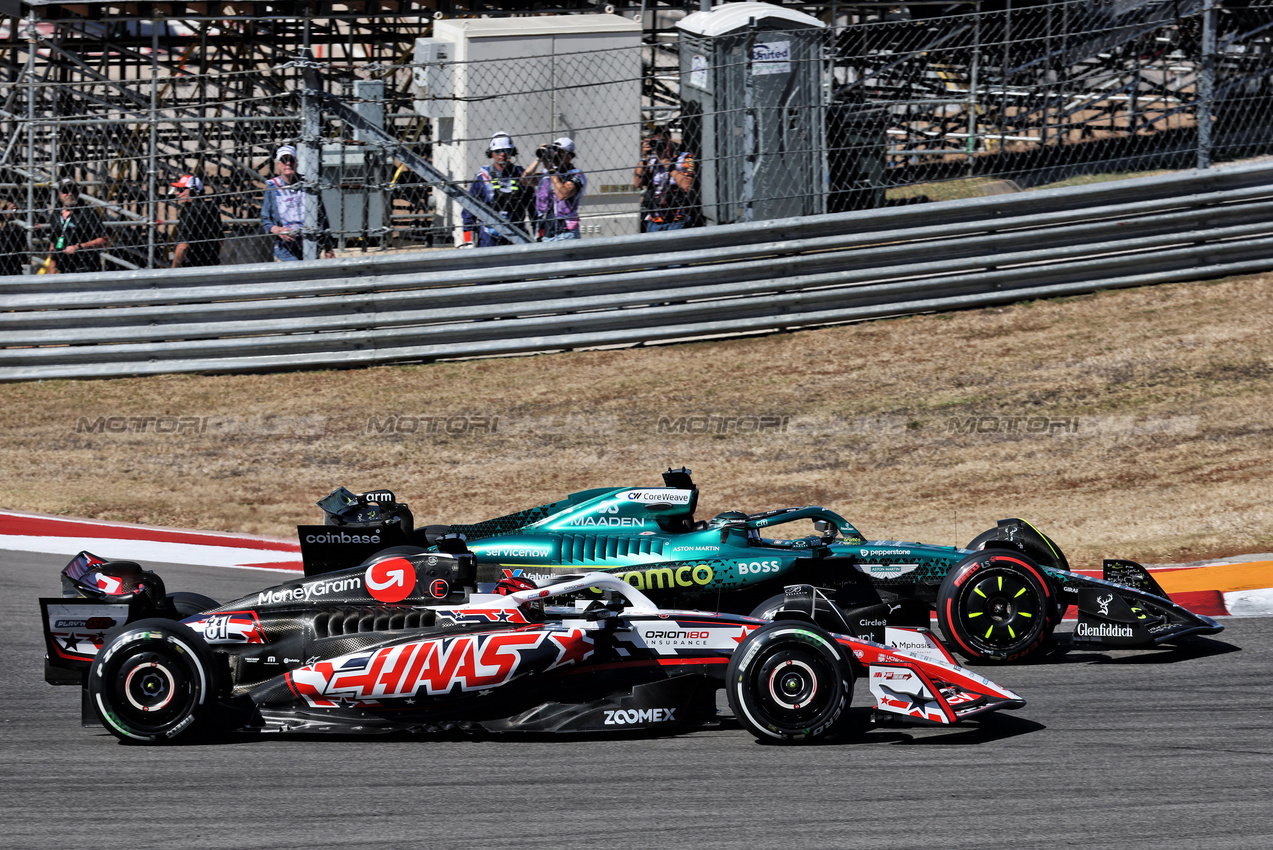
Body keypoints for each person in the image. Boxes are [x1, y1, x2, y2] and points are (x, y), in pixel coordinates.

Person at [260, 145, 334, 261]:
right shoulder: (272, 187)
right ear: (279, 164)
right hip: (285, 248)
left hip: (311, 243)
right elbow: (265, 218)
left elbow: (322, 216)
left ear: (297, 163)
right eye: (284, 160)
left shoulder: (308, 185)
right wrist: (277, 230)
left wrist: (328, 246)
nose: (288, 163)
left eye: (291, 160)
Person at [461, 132, 530, 248]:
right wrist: (469, 241)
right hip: (489, 238)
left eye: (506, 150)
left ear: (512, 152)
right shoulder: (482, 177)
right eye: (498, 151)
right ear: (491, 153)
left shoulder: (521, 176)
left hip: (517, 236)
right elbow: (469, 210)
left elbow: (533, 207)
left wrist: (540, 234)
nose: (502, 154)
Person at [634, 127, 697, 232]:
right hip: (654, 219)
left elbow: (686, 185)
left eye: (662, 142)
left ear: (669, 140)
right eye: (655, 142)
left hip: (678, 218)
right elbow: (637, 183)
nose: (659, 146)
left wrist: (667, 163)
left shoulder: (685, 157)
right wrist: (644, 157)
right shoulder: (651, 160)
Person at [524, 137, 586, 242]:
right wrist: (540, 157)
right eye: (555, 151)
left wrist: (551, 171)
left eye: (560, 152)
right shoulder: (547, 173)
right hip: (547, 232)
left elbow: (563, 194)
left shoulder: (576, 175)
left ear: (569, 156)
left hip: (566, 233)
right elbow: (525, 180)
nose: (556, 155)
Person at [47, 177, 108, 274]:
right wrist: (52, 271)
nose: (70, 194)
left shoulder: (88, 212)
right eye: (65, 190)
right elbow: (53, 245)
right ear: (59, 193)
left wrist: (79, 247)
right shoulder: (55, 214)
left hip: (86, 268)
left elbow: (104, 240)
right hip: (63, 269)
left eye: (74, 190)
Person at [169, 175, 223, 268]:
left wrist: (173, 269)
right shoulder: (211, 208)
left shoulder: (190, 212)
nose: (178, 193)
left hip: (192, 266)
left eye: (181, 190)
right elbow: (221, 240)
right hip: (212, 264)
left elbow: (183, 246)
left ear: (194, 190)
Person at [0, 194, 27, 276]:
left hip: (12, 267)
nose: (14, 212)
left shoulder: (16, 228)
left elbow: (25, 254)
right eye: (12, 209)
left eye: (15, 209)